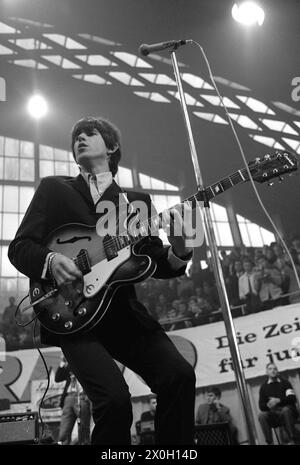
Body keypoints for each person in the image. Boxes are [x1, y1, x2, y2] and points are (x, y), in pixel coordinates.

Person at [8, 116, 196, 445]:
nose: (79, 138)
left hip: (123, 313)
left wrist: (180, 250)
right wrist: (51, 261)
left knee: (179, 376)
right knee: (114, 401)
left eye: (89, 133)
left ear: (112, 147)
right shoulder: (55, 188)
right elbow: (20, 247)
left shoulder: (136, 202)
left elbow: (155, 262)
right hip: (72, 312)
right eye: (75, 136)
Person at [258, 363, 298, 445]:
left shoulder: (285, 383)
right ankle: (270, 442)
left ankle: (292, 439)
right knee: (262, 415)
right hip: (274, 414)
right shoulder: (264, 387)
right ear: (267, 372)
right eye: (270, 369)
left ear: (277, 372)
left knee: (286, 410)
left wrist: (279, 400)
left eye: (275, 369)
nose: (273, 370)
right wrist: (269, 405)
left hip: (288, 411)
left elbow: (292, 398)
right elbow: (261, 406)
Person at [55, 354, 91, 445]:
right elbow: (58, 378)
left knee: (83, 429)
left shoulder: (87, 363)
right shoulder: (69, 365)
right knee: (64, 430)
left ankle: (84, 443)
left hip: (82, 396)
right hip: (69, 397)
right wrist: (63, 361)